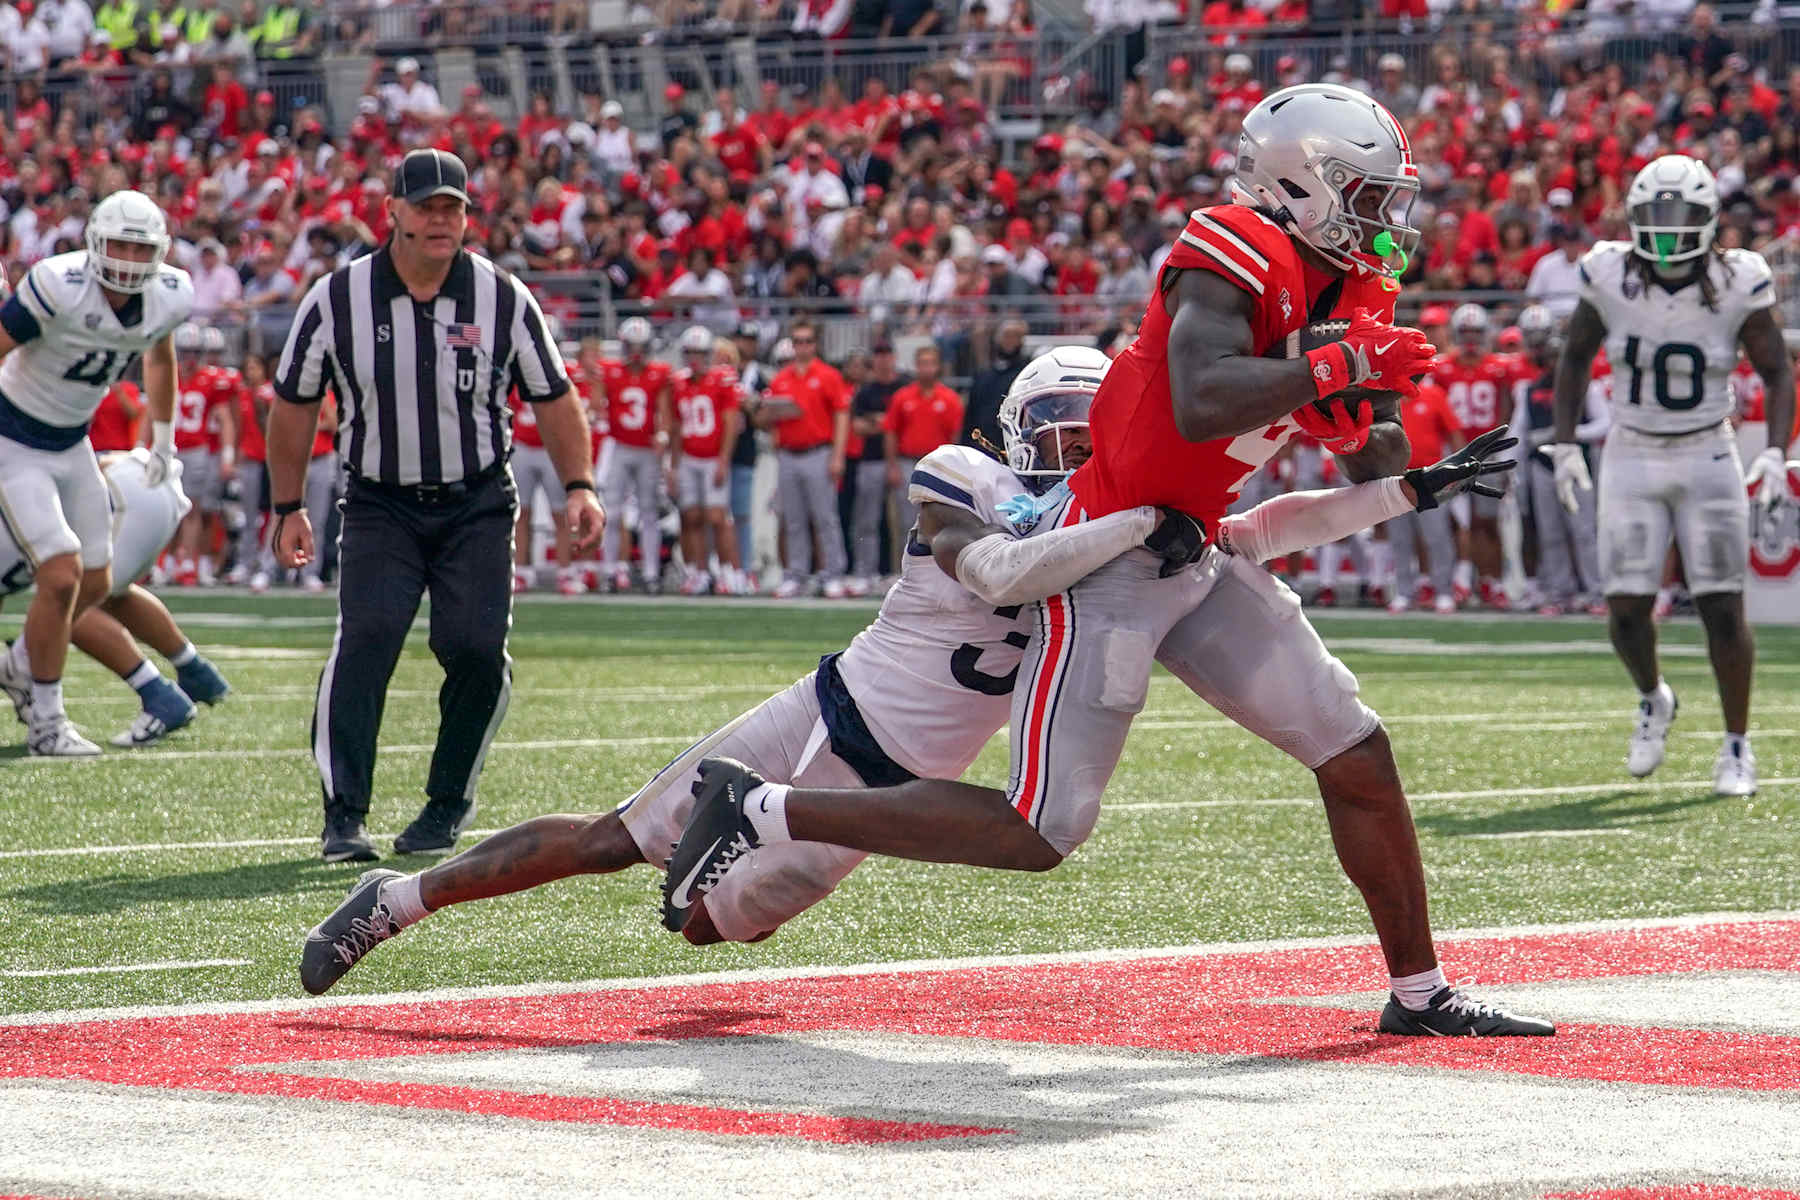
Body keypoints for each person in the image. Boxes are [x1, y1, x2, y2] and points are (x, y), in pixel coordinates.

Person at [664, 85, 1555, 1038]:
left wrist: (1382, 413)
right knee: (1041, 831)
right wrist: (1334, 366)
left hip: (1197, 546)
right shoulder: (1230, 245)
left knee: (1357, 752)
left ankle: (1419, 994)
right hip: (1112, 557)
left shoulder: (1353, 287)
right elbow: (1205, 395)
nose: (1387, 220)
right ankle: (764, 805)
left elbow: (1360, 440)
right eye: (1368, 196)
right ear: (1301, 184)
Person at [297, 346, 1514, 995]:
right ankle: (394, 905)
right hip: (838, 707)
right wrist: (1143, 522)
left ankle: (736, 830)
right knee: (618, 838)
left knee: (707, 936)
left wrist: (1401, 491)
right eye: (1062, 436)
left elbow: (1268, 526)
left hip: (889, 778)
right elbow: (997, 572)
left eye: (1098, 438)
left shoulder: (1139, 531)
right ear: (1016, 437)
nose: (1079, 453)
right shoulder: (972, 478)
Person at [268, 149, 605, 863]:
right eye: (425, 206)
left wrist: (580, 485)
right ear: (391, 211)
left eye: (452, 207)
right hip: (379, 504)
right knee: (367, 640)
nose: (440, 219)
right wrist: (288, 503)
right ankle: (344, 814)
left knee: (478, 652)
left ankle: (446, 803)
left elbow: (552, 392)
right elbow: (296, 403)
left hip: (477, 502)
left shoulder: (503, 297)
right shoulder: (336, 298)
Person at [1550, 155, 1794, 798]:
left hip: (1708, 450)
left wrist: (1772, 448)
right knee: (1626, 609)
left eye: (1678, 216)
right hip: (1632, 448)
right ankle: (1654, 696)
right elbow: (1574, 357)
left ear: (1709, 218)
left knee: (1721, 604)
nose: (1664, 230)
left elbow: (1775, 368)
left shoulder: (1741, 279)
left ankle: (1737, 744)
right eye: (1654, 215)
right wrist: (1566, 443)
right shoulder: (1608, 272)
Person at [0, 189, 191, 756]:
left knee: (97, 583)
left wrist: (161, 435)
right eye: (120, 247)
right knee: (59, 575)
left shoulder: (169, 295)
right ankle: (48, 724)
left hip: (72, 441)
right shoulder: (58, 284)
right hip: (14, 435)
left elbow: (159, 356)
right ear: (94, 244)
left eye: (141, 249)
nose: (130, 261)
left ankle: (20, 666)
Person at [0, 449, 233, 748]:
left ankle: (158, 693)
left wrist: (20, 659)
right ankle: (195, 670)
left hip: (120, 495)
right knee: (108, 592)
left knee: (67, 601)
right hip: (144, 478)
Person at [1426, 304, 1528, 608]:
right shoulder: (1442, 367)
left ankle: (1491, 581)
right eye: (1466, 332)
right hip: (1453, 453)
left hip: (1487, 452)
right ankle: (1457, 580)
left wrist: (1503, 444)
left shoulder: (1498, 367)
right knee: (1454, 523)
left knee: (1487, 521)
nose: (1470, 339)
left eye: (1476, 332)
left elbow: (1507, 407)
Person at [1512, 305, 1606, 616]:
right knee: (1550, 532)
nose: (1555, 365)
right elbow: (1518, 432)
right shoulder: (1530, 390)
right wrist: (1513, 468)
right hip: (1542, 466)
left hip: (1579, 464)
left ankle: (1596, 592)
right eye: (1551, 359)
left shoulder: (1586, 387)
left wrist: (1567, 434)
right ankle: (1559, 591)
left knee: (1584, 531)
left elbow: (1604, 424)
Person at [760, 319, 851, 599]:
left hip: (817, 451)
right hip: (788, 452)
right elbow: (769, 418)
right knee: (793, 519)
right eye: (797, 341)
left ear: (815, 344)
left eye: (807, 341)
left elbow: (841, 414)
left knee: (825, 518)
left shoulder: (828, 375)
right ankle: (796, 574)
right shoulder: (781, 378)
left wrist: (837, 455)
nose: (802, 346)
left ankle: (833, 574)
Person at [596, 316, 673, 593]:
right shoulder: (611, 371)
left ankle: (651, 573)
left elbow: (663, 412)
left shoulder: (659, 374)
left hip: (646, 450)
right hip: (619, 446)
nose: (637, 352)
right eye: (633, 346)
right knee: (613, 513)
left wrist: (663, 435)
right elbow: (598, 405)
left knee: (649, 512)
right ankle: (609, 571)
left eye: (642, 346)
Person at [671, 325, 745, 595]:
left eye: (700, 353)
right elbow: (677, 427)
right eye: (690, 353)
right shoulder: (679, 382)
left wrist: (724, 459)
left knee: (717, 517)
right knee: (690, 516)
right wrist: (674, 465)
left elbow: (729, 423)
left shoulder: (722, 380)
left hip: (712, 457)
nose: (695, 359)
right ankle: (698, 572)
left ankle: (731, 572)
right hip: (689, 457)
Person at [168, 324, 240, 587]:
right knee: (168, 508)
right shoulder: (167, 374)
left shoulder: (214, 380)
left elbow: (228, 419)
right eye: (185, 351)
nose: (190, 357)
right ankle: (165, 561)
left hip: (200, 451)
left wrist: (229, 455)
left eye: (194, 352)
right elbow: (153, 413)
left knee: (195, 509)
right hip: (171, 448)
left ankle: (190, 562)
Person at [1383, 379, 1464, 614]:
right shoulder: (1384, 399)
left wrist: (1460, 469)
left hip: (1430, 477)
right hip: (1394, 477)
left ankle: (1444, 591)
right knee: (1400, 539)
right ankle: (1404, 592)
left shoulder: (1434, 394)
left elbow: (1453, 432)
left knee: (1437, 537)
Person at [881, 344, 964, 549]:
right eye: (922, 363)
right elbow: (891, 432)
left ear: (937, 367)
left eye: (930, 363)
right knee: (905, 521)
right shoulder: (902, 397)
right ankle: (904, 568)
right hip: (907, 462)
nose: (926, 368)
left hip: (937, 466)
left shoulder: (950, 399)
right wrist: (892, 466)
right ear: (916, 366)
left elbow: (955, 438)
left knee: (938, 520)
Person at [847, 340, 907, 589]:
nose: (883, 359)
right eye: (879, 354)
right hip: (871, 459)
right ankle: (865, 572)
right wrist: (883, 423)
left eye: (886, 354)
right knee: (866, 520)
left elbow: (906, 424)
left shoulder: (904, 387)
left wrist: (879, 422)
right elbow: (857, 426)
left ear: (893, 357)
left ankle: (904, 573)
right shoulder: (866, 391)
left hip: (902, 459)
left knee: (906, 521)